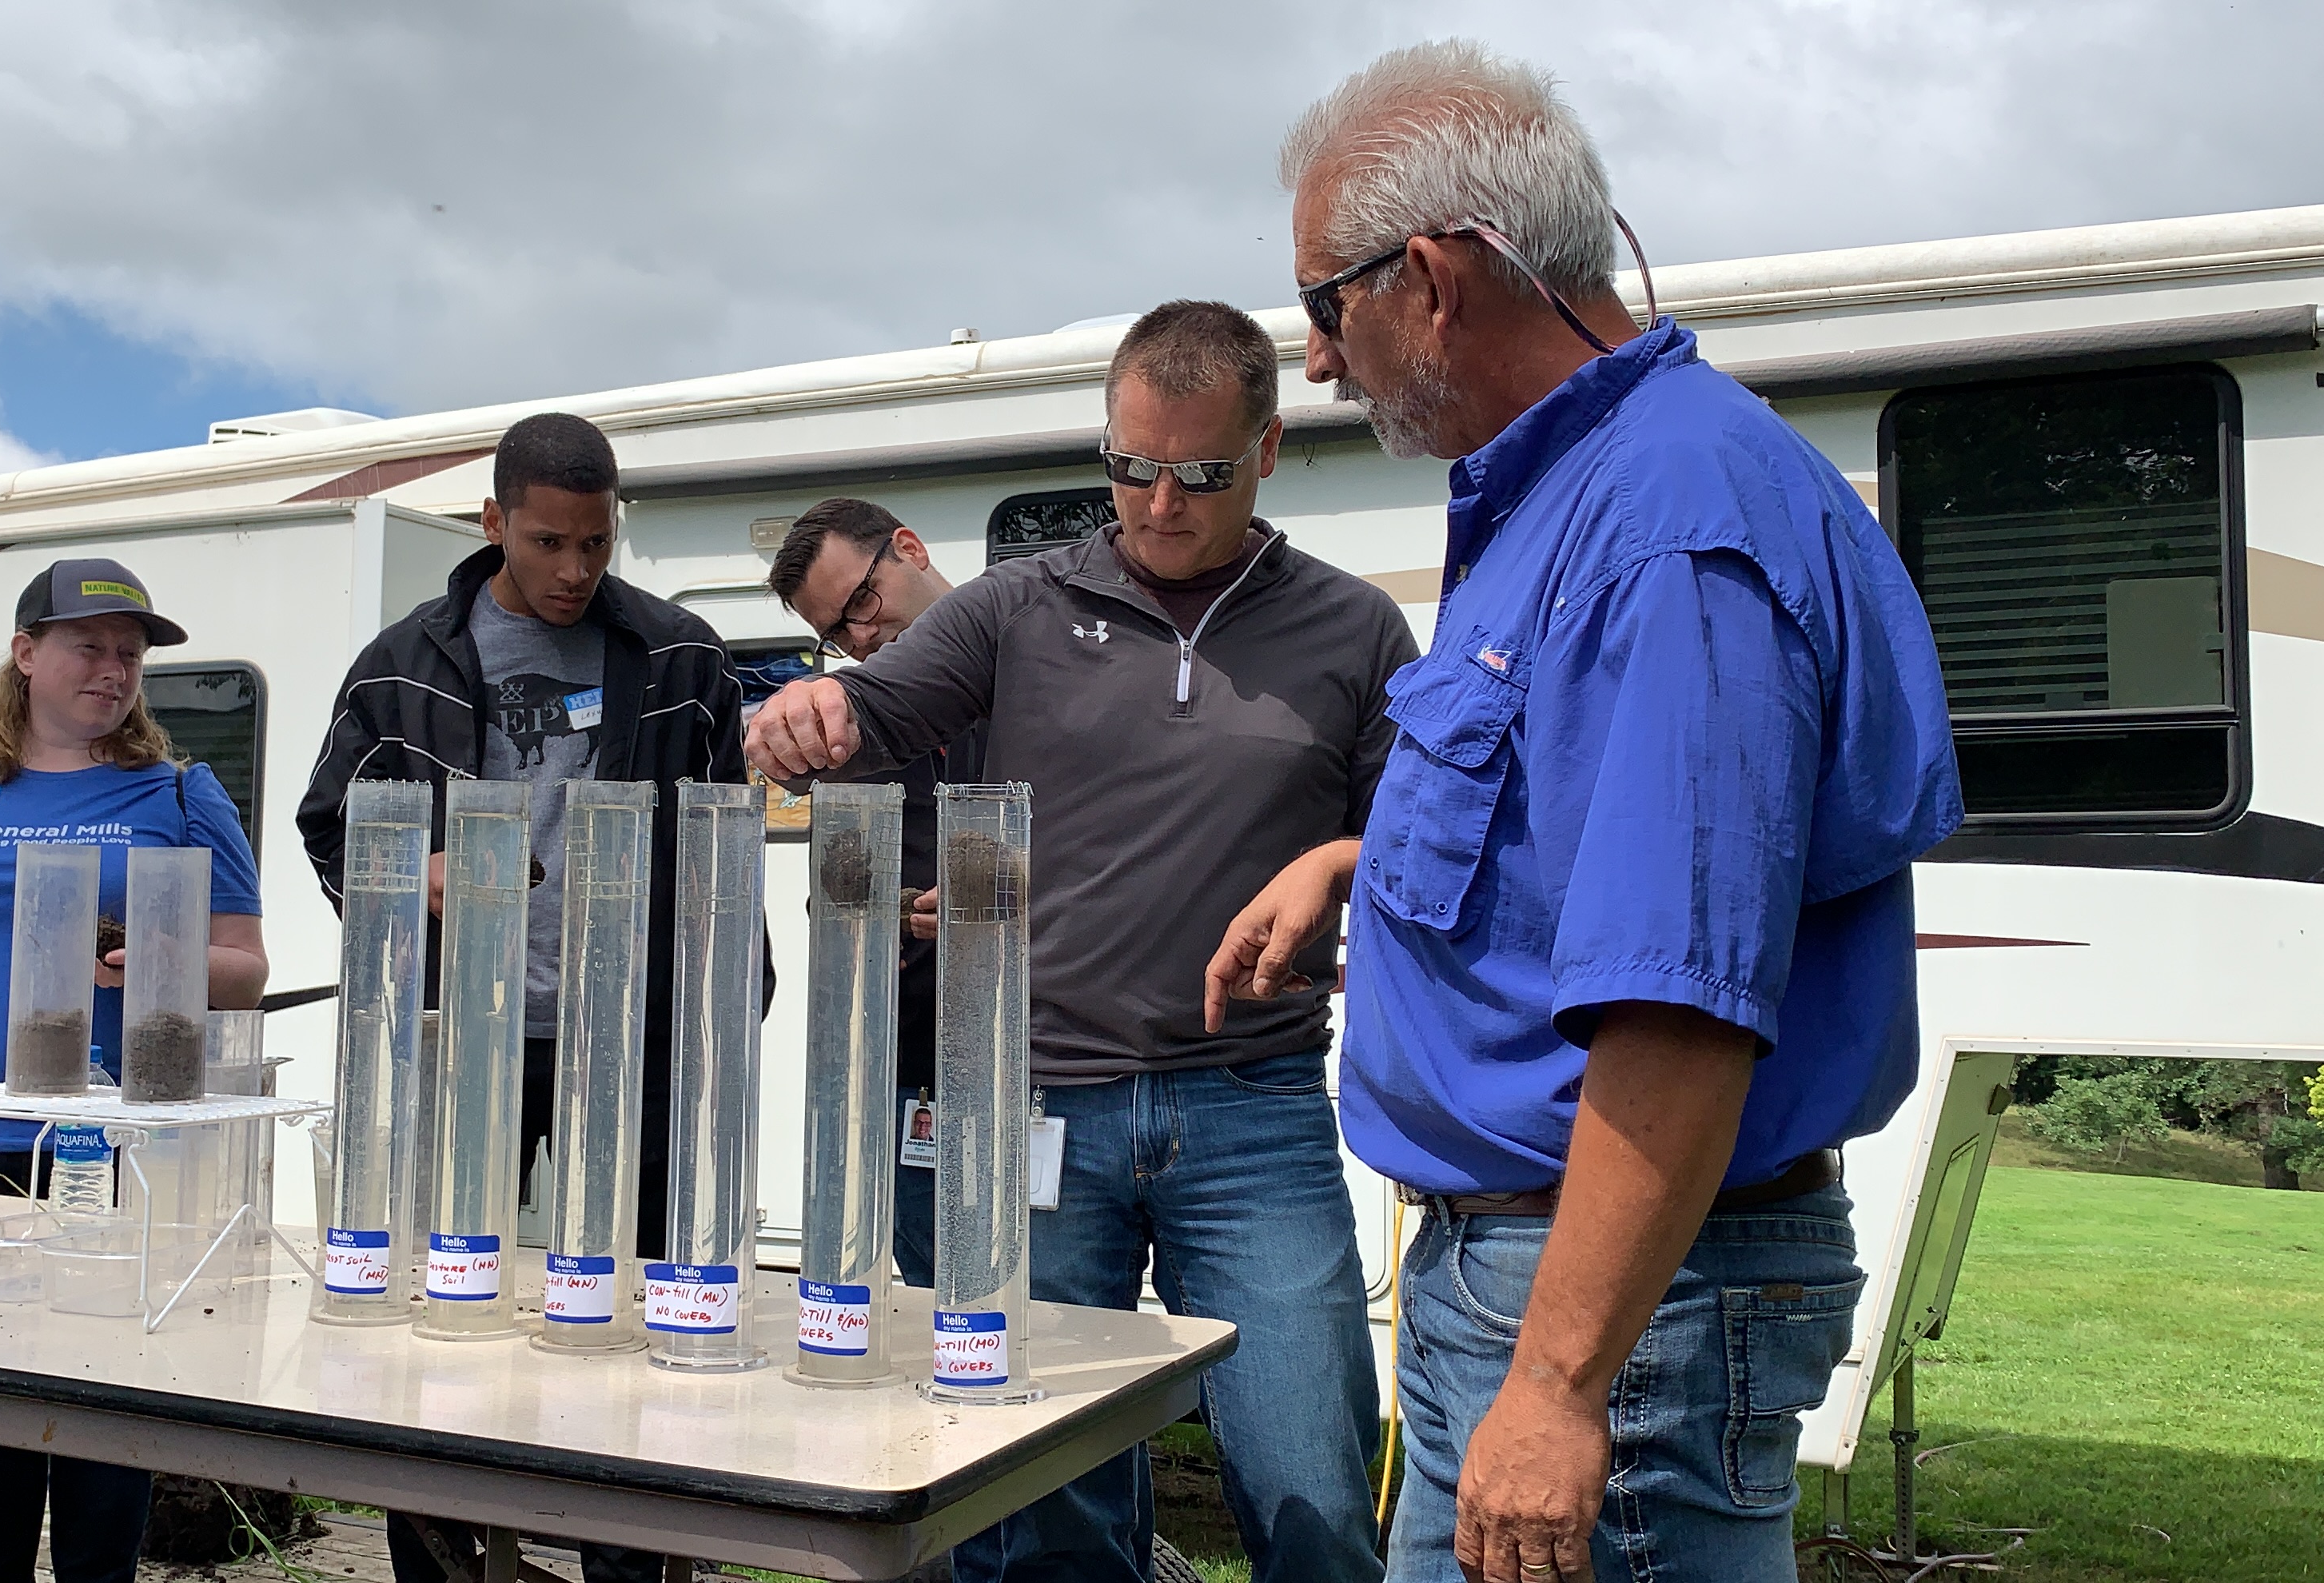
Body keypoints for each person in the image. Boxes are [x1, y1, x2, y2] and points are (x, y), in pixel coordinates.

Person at [1210, 42, 1964, 1583]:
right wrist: (1359, 859)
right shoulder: (1595, 490)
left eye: (1322, 307)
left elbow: (1683, 1004)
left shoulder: (1667, 525)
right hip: (1549, 1283)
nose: (1320, 364)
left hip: (1616, 1311)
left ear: (1431, 276)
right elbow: (1600, 844)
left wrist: (1557, 1390)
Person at [746, 302, 1416, 1583]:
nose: (1158, 504)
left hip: (1252, 1113)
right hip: (1036, 1111)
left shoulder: (1353, 630)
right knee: (1045, 1503)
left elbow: (1422, 846)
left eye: (1198, 474)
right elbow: (878, 707)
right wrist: (819, 704)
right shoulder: (1013, 609)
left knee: (1314, 1487)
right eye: (1129, 467)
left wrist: (1340, 866)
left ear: (1267, 450)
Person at [293, 411, 755, 1583]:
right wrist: (414, 877)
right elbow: (330, 827)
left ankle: (635, 1568)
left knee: (647, 1331)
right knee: (441, 1329)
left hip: (634, 1044)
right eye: (548, 542)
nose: (574, 571)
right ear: (492, 520)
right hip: (465, 1043)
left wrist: (725, 1013)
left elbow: (727, 849)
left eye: (596, 544)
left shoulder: (683, 658)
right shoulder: (401, 664)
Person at [0, 558, 269, 1583]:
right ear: (26, 655)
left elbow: (244, 971)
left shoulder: (180, 794)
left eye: (130, 655)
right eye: (89, 648)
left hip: (102, 1153)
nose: (113, 671)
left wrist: (153, 959)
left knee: (99, 1409)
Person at [761, 495, 983, 1290]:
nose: (860, 638)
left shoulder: (1038, 664)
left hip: (1061, 1066)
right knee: (941, 1313)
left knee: (1070, 1316)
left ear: (910, 548)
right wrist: (881, 919)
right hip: (914, 1072)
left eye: (861, 601)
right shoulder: (850, 730)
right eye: (835, 632)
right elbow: (834, 905)